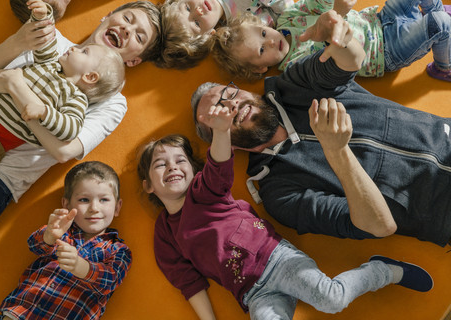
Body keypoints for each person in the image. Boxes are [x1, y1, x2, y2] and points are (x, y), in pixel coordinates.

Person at [192, 11, 451, 248]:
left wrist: (338, 39)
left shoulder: (293, 85)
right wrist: (337, 152)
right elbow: (380, 225)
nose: (231, 105)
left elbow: (352, 60)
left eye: (228, 93)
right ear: (224, 143)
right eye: (217, 113)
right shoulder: (279, 194)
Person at [136, 122, 432, 318]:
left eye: (179, 161)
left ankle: (383, 271)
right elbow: (188, 282)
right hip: (251, 292)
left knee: (331, 299)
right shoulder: (165, 233)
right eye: (161, 164)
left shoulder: (205, 191)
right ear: (149, 184)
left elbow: (219, 165)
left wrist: (222, 130)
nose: (172, 167)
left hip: (277, 260)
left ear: (193, 170)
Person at [0, 0, 161, 237]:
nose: (126, 30)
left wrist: (17, 89)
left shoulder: (112, 101)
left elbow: (63, 150)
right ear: (108, 16)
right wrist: (17, 42)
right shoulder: (50, 41)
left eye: (139, 37)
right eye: (128, 19)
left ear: (134, 60)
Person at [0, 0, 125, 171]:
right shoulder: (53, 64)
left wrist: (44, 112)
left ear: (89, 76)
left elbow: (70, 128)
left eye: (84, 52)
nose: (75, 49)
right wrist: (44, 14)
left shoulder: (75, 98)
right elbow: (47, 43)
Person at [0, 161, 132, 320]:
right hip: (19, 313)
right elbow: (35, 245)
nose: (94, 207)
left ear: (117, 207)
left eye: (104, 200)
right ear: (66, 204)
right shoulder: (62, 230)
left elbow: (109, 281)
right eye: (84, 200)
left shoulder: (118, 250)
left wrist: (79, 266)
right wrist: (49, 235)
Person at [211, 0, 451, 81]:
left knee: (438, 20)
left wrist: (335, 5)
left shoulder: (287, 18)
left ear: (264, 25)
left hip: (381, 19)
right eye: (262, 50)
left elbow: (319, 5)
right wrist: (329, 31)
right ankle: (442, 66)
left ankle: (439, 27)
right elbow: (335, 64)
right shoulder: (294, 68)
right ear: (261, 68)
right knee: (439, 23)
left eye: (264, 34)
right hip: (386, 51)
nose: (271, 42)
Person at [157, 0, 294, 69]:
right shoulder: (243, 29)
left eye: (187, 8)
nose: (198, 11)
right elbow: (284, 14)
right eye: (197, 23)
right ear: (208, 35)